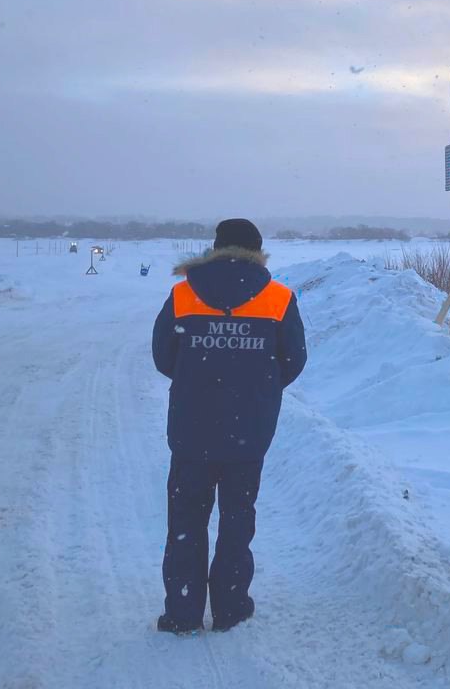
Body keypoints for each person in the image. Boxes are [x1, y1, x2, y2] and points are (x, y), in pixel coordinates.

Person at [151, 218, 307, 634]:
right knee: (237, 521)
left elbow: (164, 356)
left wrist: (197, 380)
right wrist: (256, 387)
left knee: (186, 522)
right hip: (248, 431)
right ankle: (231, 607)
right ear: (258, 251)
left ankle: (183, 613)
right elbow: (293, 360)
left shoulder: (184, 293)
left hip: (191, 428)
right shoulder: (277, 297)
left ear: (216, 248)